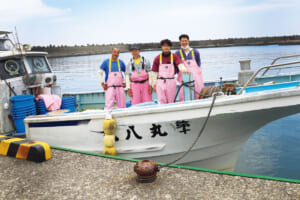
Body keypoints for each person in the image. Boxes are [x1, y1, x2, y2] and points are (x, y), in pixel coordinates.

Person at [152, 39, 187, 104]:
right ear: (161, 47)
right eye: (164, 46)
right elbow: (154, 72)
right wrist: (154, 84)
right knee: (161, 99)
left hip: (171, 81)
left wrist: (184, 70)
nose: (166, 47)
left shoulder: (174, 56)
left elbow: (180, 64)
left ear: (170, 47)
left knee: (171, 100)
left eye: (168, 46)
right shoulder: (157, 58)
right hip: (160, 82)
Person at [175, 34, 204, 101]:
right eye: (182, 41)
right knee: (184, 92)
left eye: (186, 41)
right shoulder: (177, 53)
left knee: (198, 90)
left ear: (189, 41)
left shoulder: (195, 51)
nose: (184, 42)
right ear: (180, 42)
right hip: (184, 77)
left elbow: (198, 63)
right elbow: (176, 66)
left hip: (196, 77)